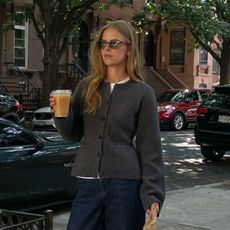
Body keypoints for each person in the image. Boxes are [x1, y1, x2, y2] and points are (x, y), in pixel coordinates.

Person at [50, 20, 165, 230]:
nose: (106, 49)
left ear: (129, 48)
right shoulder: (87, 86)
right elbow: (72, 134)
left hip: (126, 185)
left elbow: (150, 149)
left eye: (114, 44)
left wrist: (152, 195)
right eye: (102, 44)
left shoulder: (142, 92)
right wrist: (60, 114)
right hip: (87, 182)